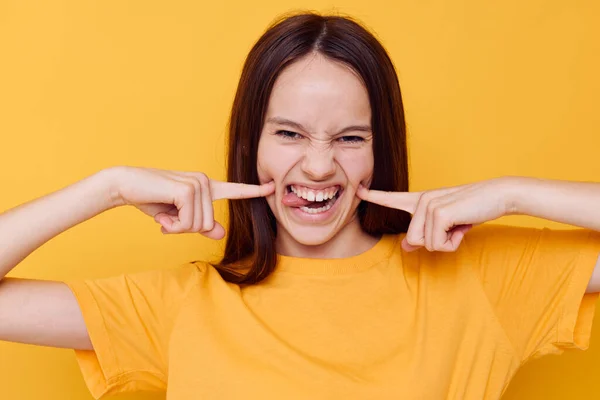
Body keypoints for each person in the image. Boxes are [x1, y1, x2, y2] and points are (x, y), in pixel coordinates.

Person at [1, 12, 600, 400]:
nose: (318, 166)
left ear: (380, 149)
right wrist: (107, 187)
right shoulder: (181, 305)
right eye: (288, 134)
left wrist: (512, 193)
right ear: (250, 144)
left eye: (349, 138)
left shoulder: (481, 280)